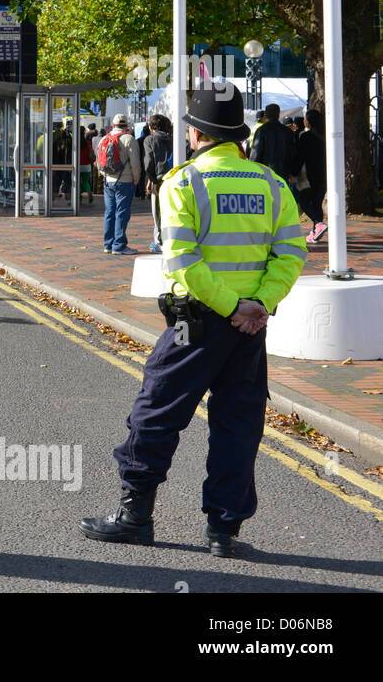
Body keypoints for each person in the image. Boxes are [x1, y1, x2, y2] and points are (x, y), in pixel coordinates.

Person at [80, 82, 306, 558]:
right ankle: (223, 532)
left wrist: (229, 307)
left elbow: (183, 262)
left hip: (195, 324)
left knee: (156, 412)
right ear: (236, 135)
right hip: (250, 329)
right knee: (238, 424)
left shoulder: (183, 183)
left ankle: (134, 516)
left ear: (197, 133)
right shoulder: (271, 184)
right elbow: (290, 255)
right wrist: (257, 305)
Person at [98, 113, 142, 254]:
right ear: (126, 125)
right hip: (125, 181)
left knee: (110, 212)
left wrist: (105, 176)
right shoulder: (129, 139)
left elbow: (99, 162)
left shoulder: (104, 139)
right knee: (122, 213)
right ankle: (119, 245)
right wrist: (136, 180)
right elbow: (135, 164)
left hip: (108, 181)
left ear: (113, 125)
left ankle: (108, 245)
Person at [141, 114, 174, 254]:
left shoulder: (150, 139)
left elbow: (149, 163)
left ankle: (160, 242)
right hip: (176, 178)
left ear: (151, 127)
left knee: (158, 213)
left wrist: (152, 180)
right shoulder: (176, 138)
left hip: (159, 180)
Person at [249, 104, 297, 193]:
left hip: (265, 174)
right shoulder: (287, 132)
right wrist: (292, 172)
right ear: (279, 114)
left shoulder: (261, 131)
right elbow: (293, 153)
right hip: (283, 173)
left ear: (266, 115)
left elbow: (255, 154)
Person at [298, 109, 327, 243]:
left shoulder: (306, 137)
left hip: (311, 175)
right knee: (317, 202)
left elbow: (300, 157)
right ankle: (316, 230)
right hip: (326, 174)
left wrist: (294, 172)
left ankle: (319, 224)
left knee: (304, 201)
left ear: (309, 121)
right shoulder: (326, 136)